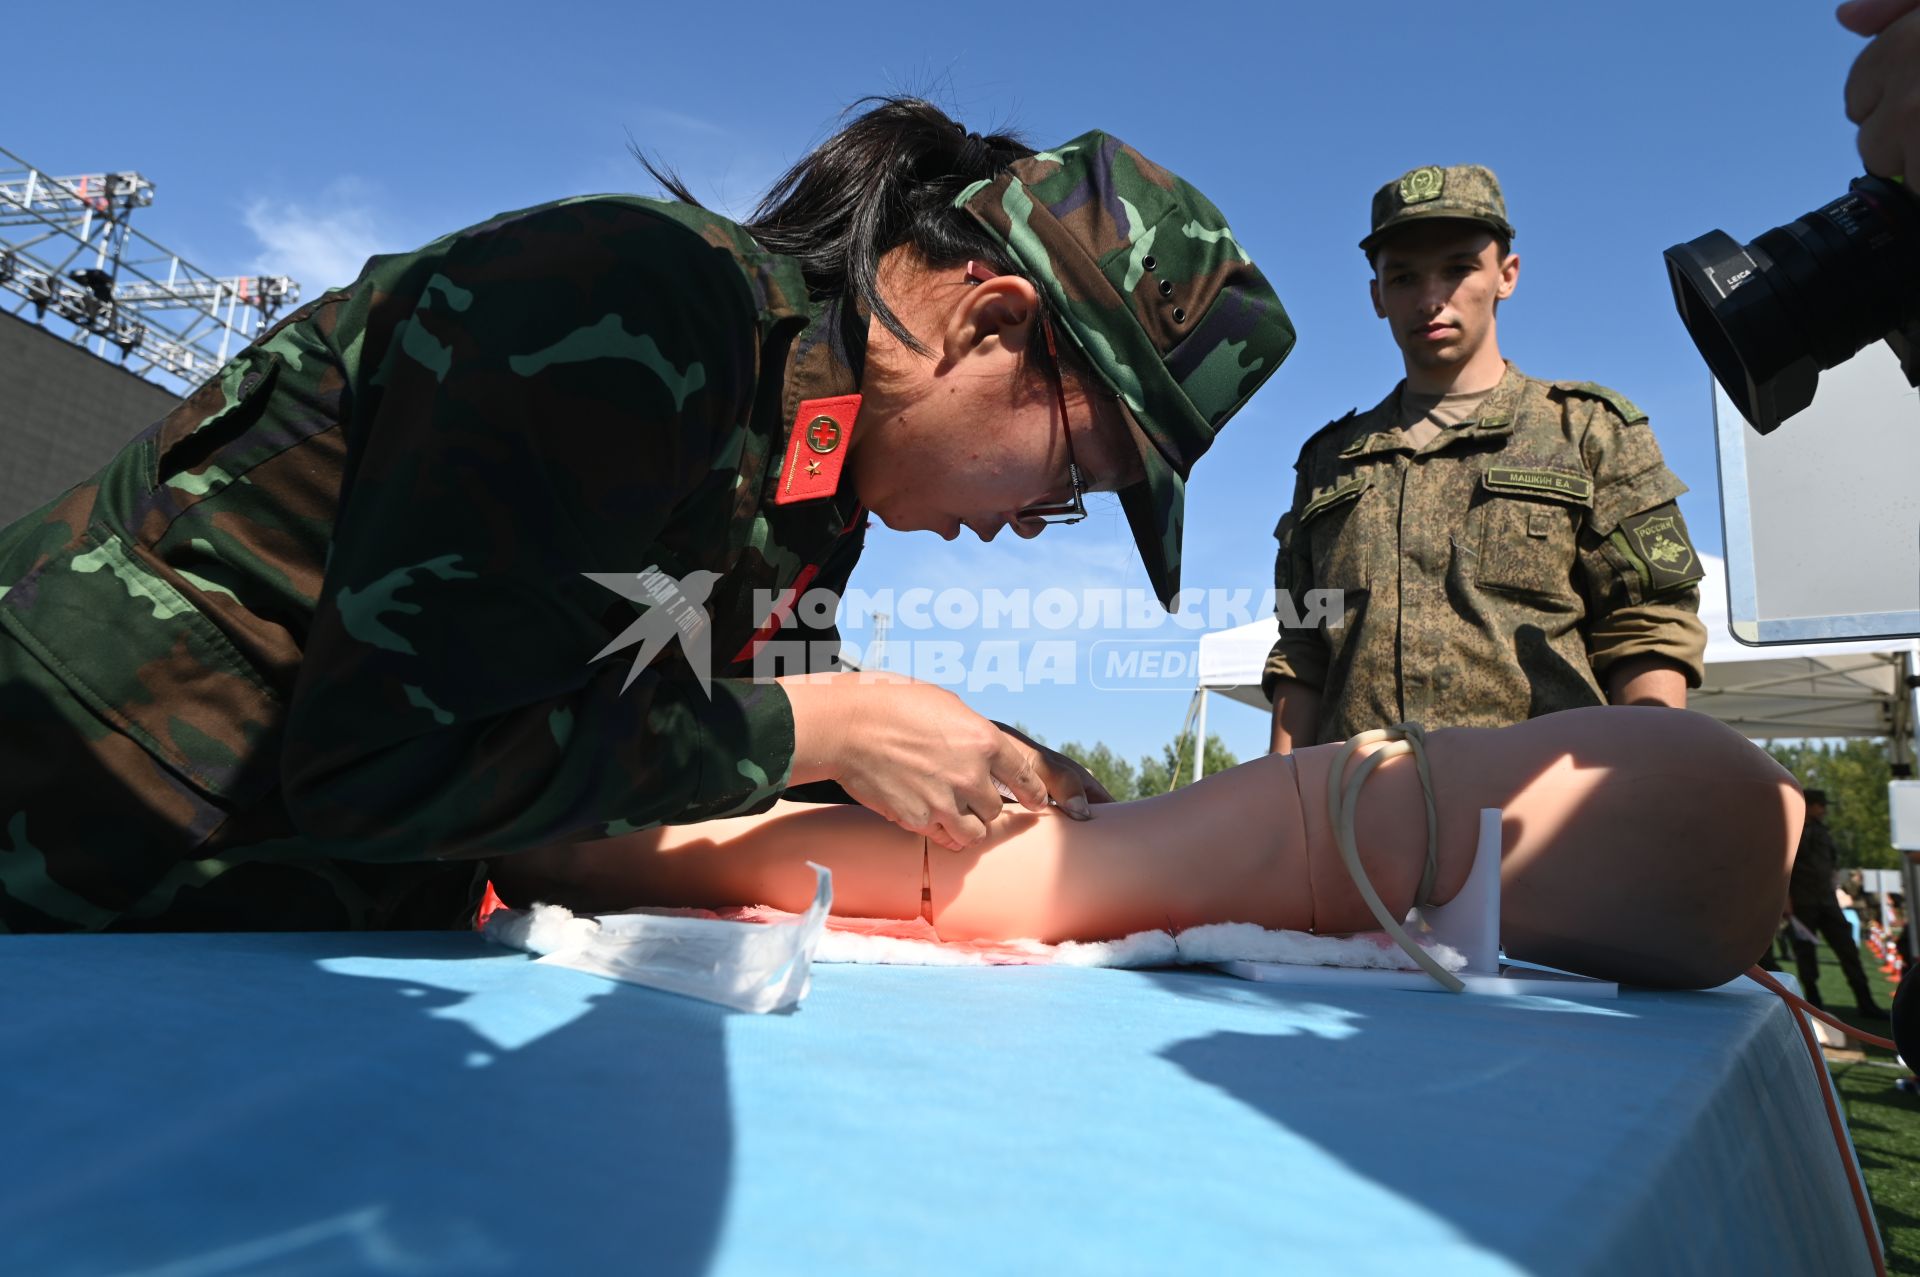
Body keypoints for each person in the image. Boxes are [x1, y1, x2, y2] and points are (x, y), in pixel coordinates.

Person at [0, 98, 1296, 932]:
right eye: (1069, 477)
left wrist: (949, 752)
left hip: (261, 941)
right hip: (78, 863)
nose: (1032, 523)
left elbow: (713, 704)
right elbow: (388, 766)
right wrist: (828, 724)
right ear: (992, 321)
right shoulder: (629, 309)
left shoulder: (816, 481)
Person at [492, 705, 1802, 991]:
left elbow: (980, 883)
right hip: (1360, 837)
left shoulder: (1316, 833)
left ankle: (569, 848)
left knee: (983, 869)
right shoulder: (1706, 822)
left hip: (1329, 834)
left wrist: (580, 859)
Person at [1263, 163, 1707, 752]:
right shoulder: (1329, 461)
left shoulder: (1587, 431)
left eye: (1458, 269)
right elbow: (1302, 646)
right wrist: (1287, 799)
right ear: (1376, 295)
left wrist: (1650, 777)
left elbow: (1648, 623)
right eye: (1402, 278)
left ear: (1507, 275)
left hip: (1543, 811)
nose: (1430, 299)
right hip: (1360, 813)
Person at [1787, 789, 1890, 1020]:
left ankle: (1866, 1002)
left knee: (1848, 951)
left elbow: (1830, 865)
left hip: (1826, 900)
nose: (1824, 810)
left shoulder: (1822, 831)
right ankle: (1813, 1004)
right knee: (1806, 956)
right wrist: (1787, 901)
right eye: (1820, 805)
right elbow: (1785, 867)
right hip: (1804, 902)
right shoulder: (1793, 829)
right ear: (1809, 805)